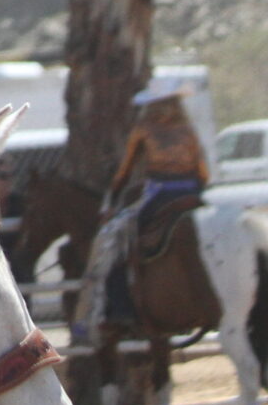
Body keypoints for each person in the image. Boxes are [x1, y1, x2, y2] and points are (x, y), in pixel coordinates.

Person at [74, 91, 210, 340]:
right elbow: (203, 171)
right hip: (192, 194)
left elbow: (123, 173)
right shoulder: (187, 129)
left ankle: (121, 308)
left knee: (121, 240)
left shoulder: (144, 129)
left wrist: (112, 202)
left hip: (160, 195)